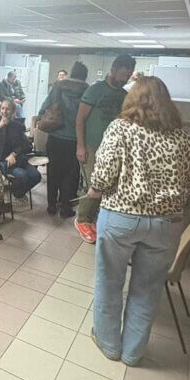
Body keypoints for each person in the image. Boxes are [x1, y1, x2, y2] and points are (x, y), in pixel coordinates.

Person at [89, 76, 190, 366]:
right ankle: (132, 353)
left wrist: (94, 190)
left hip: (120, 218)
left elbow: (103, 176)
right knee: (147, 289)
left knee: (109, 281)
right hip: (165, 225)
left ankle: (109, 344)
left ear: (132, 99)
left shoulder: (120, 128)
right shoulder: (181, 138)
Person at [75, 54, 135, 242]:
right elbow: (80, 119)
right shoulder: (95, 90)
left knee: (107, 185)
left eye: (129, 76)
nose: (125, 79)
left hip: (113, 149)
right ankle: (82, 220)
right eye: (123, 74)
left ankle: (93, 220)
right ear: (114, 69)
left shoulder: (124, 95)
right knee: (92, 184)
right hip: (92, 145)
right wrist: (80, 145)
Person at [38, 61, 89, 217]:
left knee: (53, 172)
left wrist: (41, 117)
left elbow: (45, 106)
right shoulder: (87, 90)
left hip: (55, 137)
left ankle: (51, 206)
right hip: (75, 139)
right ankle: (65, 207)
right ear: (84, 76)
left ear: (72, 73)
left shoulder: (59, 86)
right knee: (71, 174)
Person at [0, 99, 40, 202]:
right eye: (2, 108)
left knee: (36, 176)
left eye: (8, 109)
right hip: (0, 161)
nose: (4, 111)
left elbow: (26, 145)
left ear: (13, 111)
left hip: (18, 159)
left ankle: (17, 193)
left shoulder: (17, 126)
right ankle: (16, 193)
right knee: (23, 176)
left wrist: (13, 154)